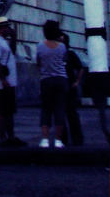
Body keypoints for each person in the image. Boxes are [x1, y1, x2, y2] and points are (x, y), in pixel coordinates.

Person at [0, 16, 24, 148]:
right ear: (1, 28)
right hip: (3, 82)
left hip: (9, 81)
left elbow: (12, 53)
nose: (9, 29)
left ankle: (11, 136)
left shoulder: (2, 40)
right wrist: (2, 79)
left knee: (9, 110)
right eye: (7, 27)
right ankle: (3, 138)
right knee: (3, 111)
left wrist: (14, 38)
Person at [35, 19, 67, 148]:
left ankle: (45, 139)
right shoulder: (62, 46)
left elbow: (38, 62)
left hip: (46, 80)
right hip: (60, 79)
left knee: (46, 109)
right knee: (59, 109)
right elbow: (64, 60)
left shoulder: (40, 46)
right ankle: (58, 140)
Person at [60, 32, 84, 146]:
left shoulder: (71, 54)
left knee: (72, 114)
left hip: (70, 87)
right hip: (60, 87)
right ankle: (64, 139)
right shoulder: (57, 54)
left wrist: (77, 82)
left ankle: (77, 139)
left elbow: (80, 68)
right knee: (62, 115)